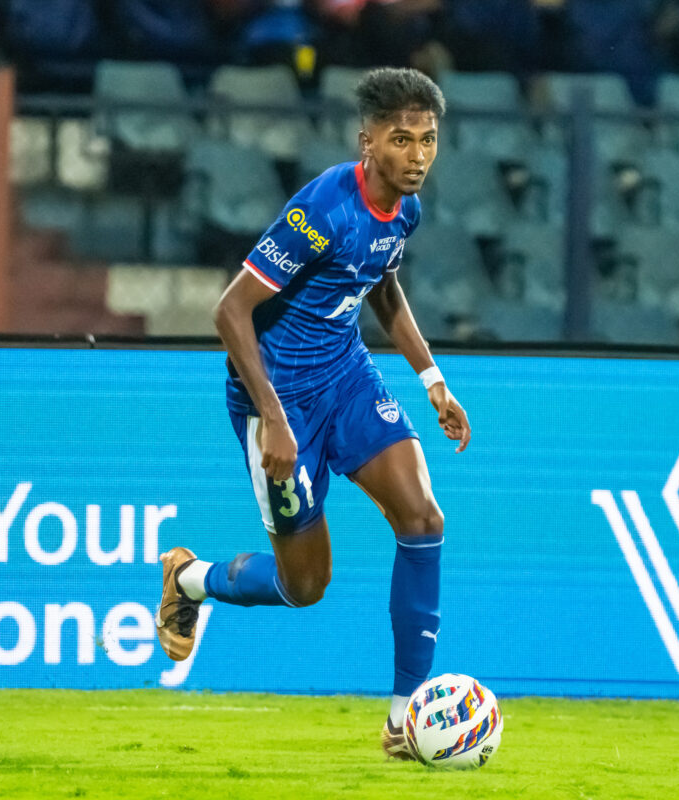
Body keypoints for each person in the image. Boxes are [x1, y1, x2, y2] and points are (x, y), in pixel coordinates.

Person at [154, 67, 470, 760]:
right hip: (277, 396)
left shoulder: (405, 209)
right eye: (401, 139)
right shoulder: (323, 210)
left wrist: (432, 379)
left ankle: (405, 718)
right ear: (367, 141)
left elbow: (379, 282)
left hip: (347, 378)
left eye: (429, 139)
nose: (417, 154)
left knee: (423, 518)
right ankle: (187, 578)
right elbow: (230, 310)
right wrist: (272, 418)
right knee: (305, 586)